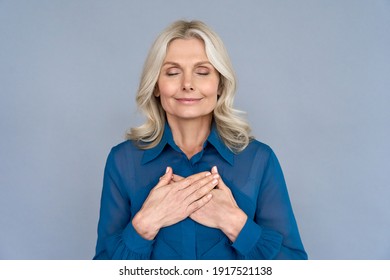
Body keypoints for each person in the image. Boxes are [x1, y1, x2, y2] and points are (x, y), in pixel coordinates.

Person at [93, 20, 307, 260]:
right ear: (155, 85)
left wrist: (235, 223)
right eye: (173, 72)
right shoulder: (123, 161)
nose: (187, 84)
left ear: (220, 84)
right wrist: (145, 223)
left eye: (202, 72)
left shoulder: (259, 159)